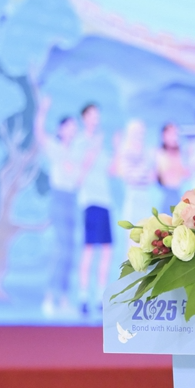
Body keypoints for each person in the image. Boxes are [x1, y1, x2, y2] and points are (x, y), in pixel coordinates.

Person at [35, 96, 80, 317]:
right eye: (69, 126)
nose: (73, 130)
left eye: (75, 127)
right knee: (61, 249)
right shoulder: (55, 147)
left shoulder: (75, 151)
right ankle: (49, 297)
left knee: (70, 250)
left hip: (72, 199)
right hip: (59, 197)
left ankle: (63, 298)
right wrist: (43, 110)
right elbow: (39, 134)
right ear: (61, 129)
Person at [75, 103, 117, 316]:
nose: (96, 118)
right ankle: (83, 296)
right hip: (90, 201)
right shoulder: (80, 142)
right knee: (89, 249)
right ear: (84, 118)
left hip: (105, 201)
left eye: (97, 115)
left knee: (107, 250)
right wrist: (94, 147)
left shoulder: (102, 142)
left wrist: (116, 149)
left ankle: (101, 296)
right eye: (92, 115)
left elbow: (112, 170)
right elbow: (80, 171)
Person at [156, 122, 190, 213]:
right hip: (164, 197)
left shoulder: (183, 154)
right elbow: (165, 174)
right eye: (170, 133)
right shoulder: (159, 154)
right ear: (163, 136)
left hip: (180, 196)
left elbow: (187, 174)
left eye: (176, 133)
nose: (174, 137)